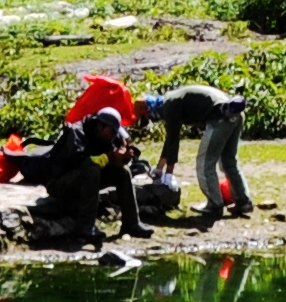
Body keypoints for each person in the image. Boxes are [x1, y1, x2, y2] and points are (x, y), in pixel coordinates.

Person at [16, 102, 149, 239]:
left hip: (84, 179)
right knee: (92, 170)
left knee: (123, 172)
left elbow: (111, 159)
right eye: (112, 132)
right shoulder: (76, 133)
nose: (114, 136)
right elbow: (81, 163)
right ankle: (85, 226)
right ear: (100, 126)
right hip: (59, 183)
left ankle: (132, 223)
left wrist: (123, 159)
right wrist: (110, 157)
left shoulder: (108, 136)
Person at [146, 83, 251, 223]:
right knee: (229, 161)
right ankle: (244, 203)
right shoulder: (173, 99)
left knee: (205, 163)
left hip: (221, 117)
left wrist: (168, 173)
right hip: (235, 113)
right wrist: (160, 168)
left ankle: (215, 205)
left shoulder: (169, 105)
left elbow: (173, 139)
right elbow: (171, 139)